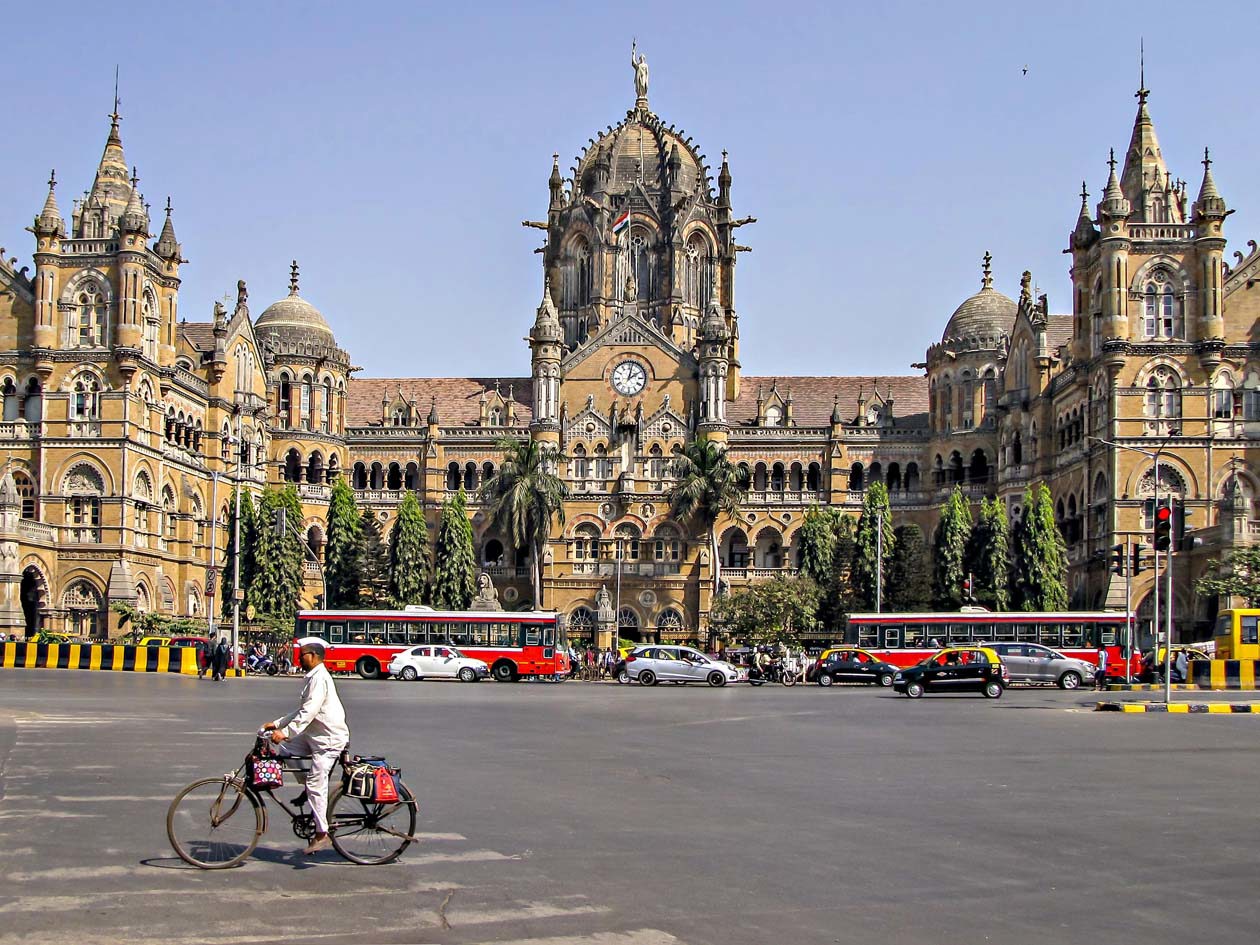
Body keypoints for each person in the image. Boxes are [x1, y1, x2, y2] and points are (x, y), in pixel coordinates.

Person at [261, 638, 350, 855]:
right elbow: (302, 711)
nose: (299, 659)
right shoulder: (313, 678)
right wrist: (278, 723)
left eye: (301, 655)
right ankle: (307, 787)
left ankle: (322, 834)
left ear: (312, 656)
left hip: (328, 741)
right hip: (314, 736)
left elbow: (309, 712)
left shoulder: (320, 679)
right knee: (285, 750)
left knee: (316, 783)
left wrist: (286, 732)